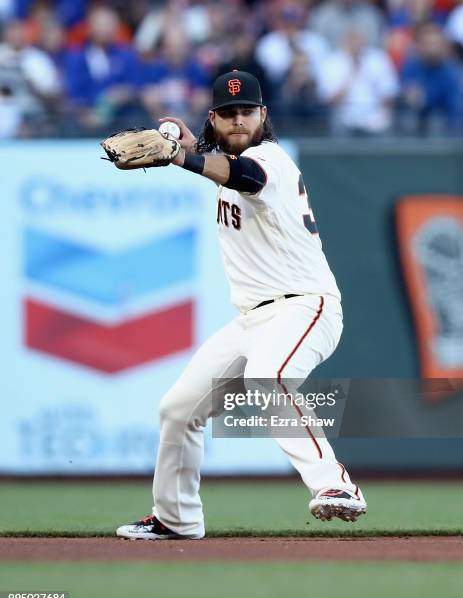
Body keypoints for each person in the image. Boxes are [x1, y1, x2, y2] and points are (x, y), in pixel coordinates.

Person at [116, 70, 367, 541]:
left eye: (246, 112)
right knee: (177, 409)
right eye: (227, 113)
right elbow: (225, 166)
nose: (237, 121)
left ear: (263, 116)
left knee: (267, 376)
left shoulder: (268, 157)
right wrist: (190, 150)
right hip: (254, 319)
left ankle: (336, 487)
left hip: (305, 307)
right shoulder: (226, 156)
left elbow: (244, 175)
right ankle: (176, 517)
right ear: (213, 118)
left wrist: (178, 155)